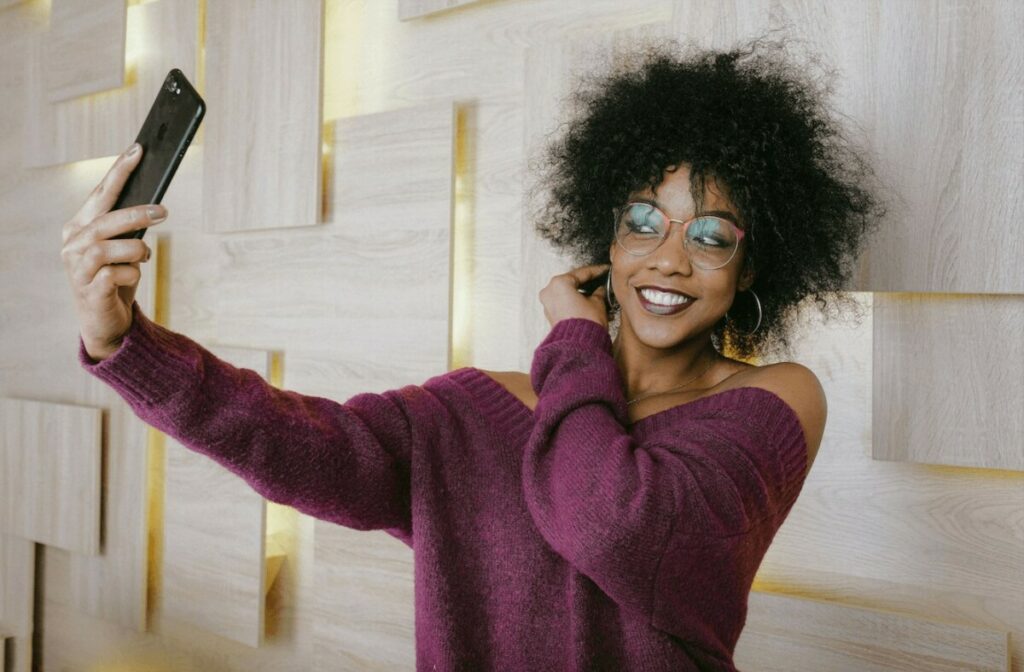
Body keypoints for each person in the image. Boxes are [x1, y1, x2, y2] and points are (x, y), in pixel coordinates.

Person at [62, 37, 881, 672]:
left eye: (710, 236)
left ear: (751, 268)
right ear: (606, 233)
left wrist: (571, 337)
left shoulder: (772, 404)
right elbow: (287, 441)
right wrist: (122, 339)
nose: (668, 259)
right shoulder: (469, 410)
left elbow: (609, 519)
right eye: (643, 221)